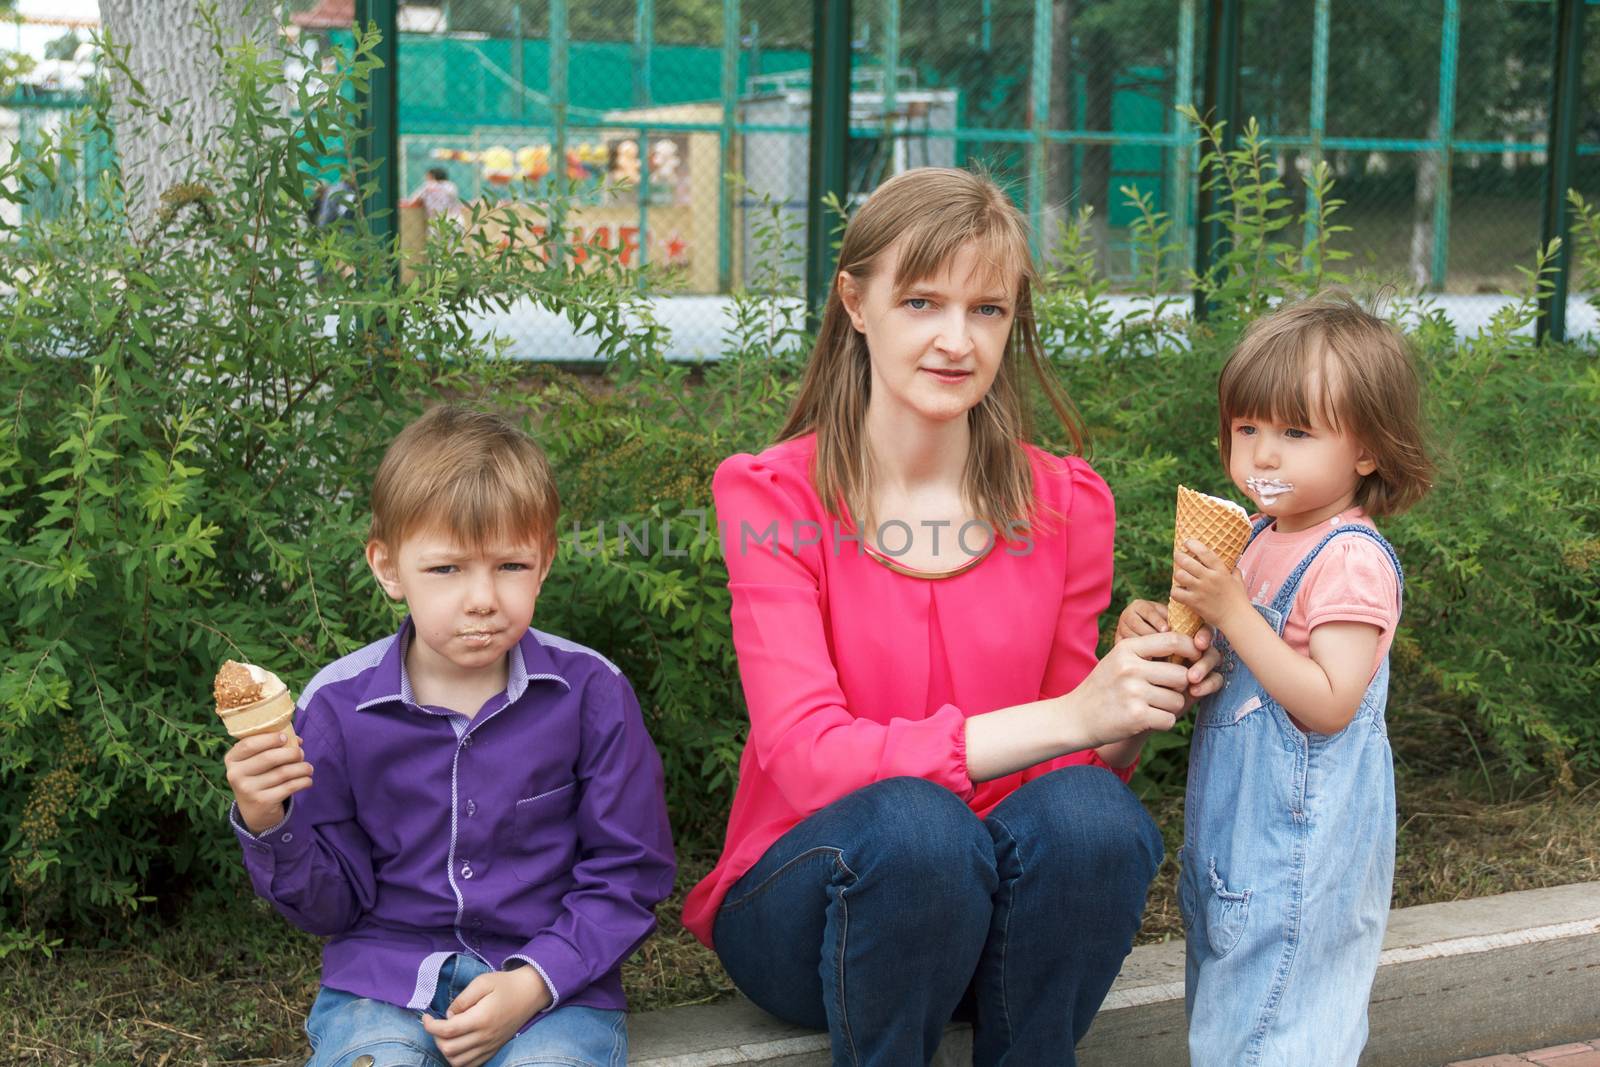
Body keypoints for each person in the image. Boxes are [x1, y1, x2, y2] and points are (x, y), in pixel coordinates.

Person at [680, 167, 1223, 1066]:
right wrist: (1072, 713)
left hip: (996, 917)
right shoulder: (772, 495)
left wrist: (1128, 707)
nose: (956, 339)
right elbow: (809, 756)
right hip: (814, 908)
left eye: (988, 310)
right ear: (856, 302)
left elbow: (1071, 766)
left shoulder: (1067, 501)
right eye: (922, 301)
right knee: (915, 827)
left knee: (1093, 814)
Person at [223, 406, 675, 1067]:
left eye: (511, 565)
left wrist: (534, 981)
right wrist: (270, 820)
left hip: (553, 991)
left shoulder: (592, 694)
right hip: (382, 985)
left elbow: (628, 873)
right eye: (447, 569)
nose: (483, 598)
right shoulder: (336, 708)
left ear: (545, 562)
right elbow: (329, 904)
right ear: (388, 567)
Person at [1118, 295, 1433, 1065]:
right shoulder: (1259, 538)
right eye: (1246, 428)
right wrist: (1180, 638)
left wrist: (1233, 608)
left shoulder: (1349, 557)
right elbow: (1252, 676)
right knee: (1232, 1028)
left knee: (1276, 1038)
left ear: (1367, 449)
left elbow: (1329, 702)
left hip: (1301, 861)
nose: (1262, 455)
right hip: (1234, 849)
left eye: (1296, 433)